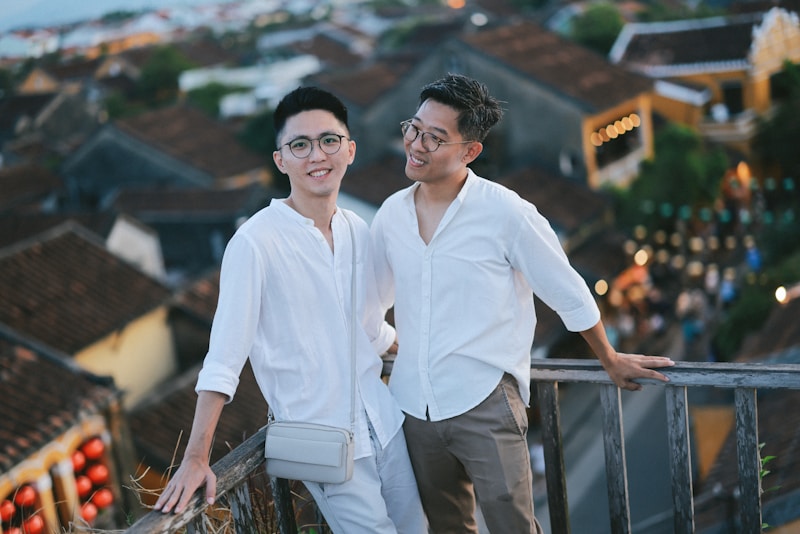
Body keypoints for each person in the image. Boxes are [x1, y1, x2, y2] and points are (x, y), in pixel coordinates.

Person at [370, 73, 675, 533]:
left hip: (485, 401)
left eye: (435, 137)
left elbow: (566, 288)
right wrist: (388, 341)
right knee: (446, 527)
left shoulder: (506, 212)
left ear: (470, 151)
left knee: (513, 525)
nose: (416, 144)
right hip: (413, 405)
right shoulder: (390, 213)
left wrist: (609, 358)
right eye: (413, 128)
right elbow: (373, 300)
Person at [154, 86, 426, 533]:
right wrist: (196, 458)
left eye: (329, 140)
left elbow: (367, 323)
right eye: (300, 145)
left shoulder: (357, 227)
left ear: (350, 150)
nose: (316, 154)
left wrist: (404, 347)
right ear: (281, 160)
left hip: (387, 424)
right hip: (325, 443)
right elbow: (223, 358)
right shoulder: (254, 243)